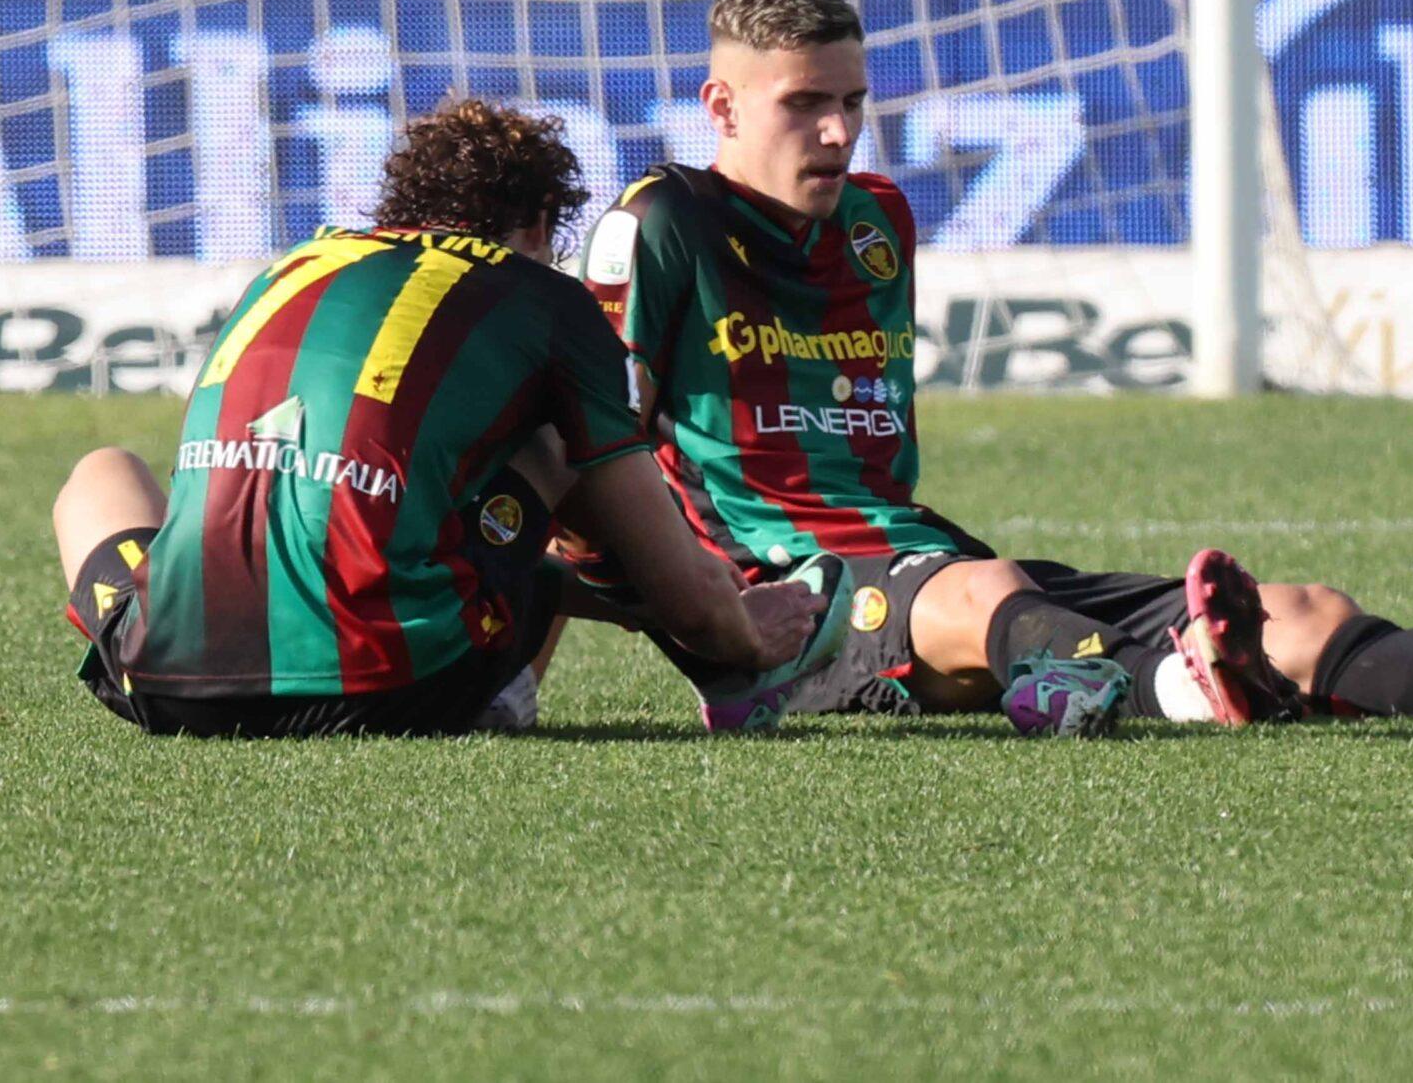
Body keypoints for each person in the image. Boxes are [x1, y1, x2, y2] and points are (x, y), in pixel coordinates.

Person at [576, 0, 1413, 735]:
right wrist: (688, 625)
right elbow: (586, 449)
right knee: (986, 601)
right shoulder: (662, 225)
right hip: (775, 601)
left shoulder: (879, 224)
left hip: (923, 562)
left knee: (1300, 609)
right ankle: (1179, 691)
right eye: (806, 103)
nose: (840, 129)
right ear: (723, 106)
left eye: (852, 97)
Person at [51, 96, 835, 738]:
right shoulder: (549, 302)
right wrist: (738, 626)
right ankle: (586, 692)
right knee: (564, 441)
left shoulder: (292, 264)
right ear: (535, 227)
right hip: (388, 690)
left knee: (103, 471)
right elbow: (683, 595)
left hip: (159, 680)